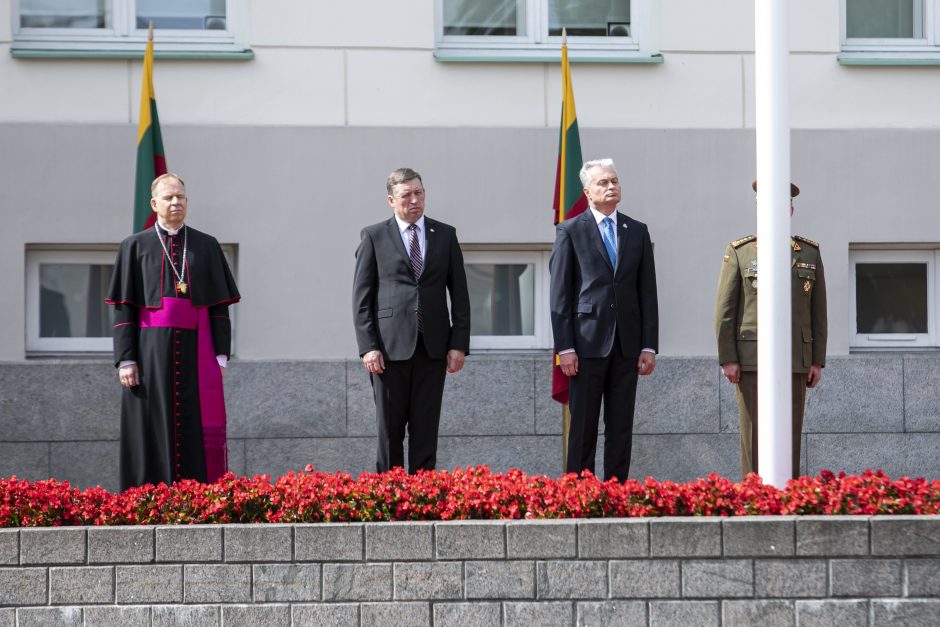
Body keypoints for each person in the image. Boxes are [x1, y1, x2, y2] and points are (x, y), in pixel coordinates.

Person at [106, 173, 240, 490]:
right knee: (149, 421)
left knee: (192, 422)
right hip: (150, 351)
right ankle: (146, 495)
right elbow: (124, 308)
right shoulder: (134, 246)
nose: (176, 202)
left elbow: (219, 307)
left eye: (180, 196)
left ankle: (196, 494)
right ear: (154, 204)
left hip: (197, 350)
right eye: (168, 197)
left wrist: (220, 355)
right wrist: (126, 359)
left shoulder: (206, 245)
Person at [352, 167, 471, 473]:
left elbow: (459, 294)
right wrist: (368, 347)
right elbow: (362, 299)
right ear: (392, 200)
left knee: (425, 429)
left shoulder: (445, 235)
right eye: (407, 195)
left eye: (419, 193)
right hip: (388, 351)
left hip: (432, 348)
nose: (415, 200)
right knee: (389, 432)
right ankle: (390, 501)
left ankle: (423, 500)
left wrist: (458, 344)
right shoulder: (374, 236)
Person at [549, 158, 659, 481]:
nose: (611, 186)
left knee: (620, 426)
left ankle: (616, 493)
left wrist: (649, 345)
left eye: (614, 181)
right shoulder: (570, 231)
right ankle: (579, 496)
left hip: (626, 347)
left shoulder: (636, 232)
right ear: (587, 191)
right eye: (603, 183)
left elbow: (647, 293)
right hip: (584, 347)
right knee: (583, 426)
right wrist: (565, 346)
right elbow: (559, 295)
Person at [715, 180, 827, 480]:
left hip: (795, 356)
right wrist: (728, 357)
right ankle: (754, 495)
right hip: (751, 357)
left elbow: (818, 312)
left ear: (790, 210)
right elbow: (726, 310)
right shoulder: (741, 252)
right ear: (758, 207)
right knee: (753, 431)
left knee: (790, 429)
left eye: (782, 206)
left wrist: (816, 360)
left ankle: (788, 492)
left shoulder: (809, 253)